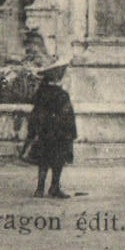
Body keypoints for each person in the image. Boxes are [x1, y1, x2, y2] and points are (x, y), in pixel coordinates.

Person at [25, 62, 77, 199]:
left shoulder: (41, 93)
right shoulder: (62, 95)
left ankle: (39, 189)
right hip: (60, 134)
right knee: (58, 162)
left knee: (43, 161)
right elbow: (68, 117)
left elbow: (35, 114)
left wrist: (33, 131)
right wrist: (71, 135)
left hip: (44, 133)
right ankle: (54, 187)